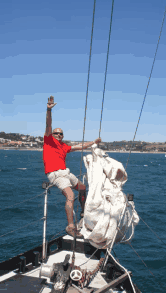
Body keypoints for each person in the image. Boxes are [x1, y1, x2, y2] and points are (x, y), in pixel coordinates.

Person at [43, 96, 102, 238]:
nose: (58, 134)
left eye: (60, 133)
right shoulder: (48, 141)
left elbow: (79, 146)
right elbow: (48, 125)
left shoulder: (64, 146)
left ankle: (83, 211)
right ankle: (70, 227)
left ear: (63, 136)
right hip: (56, 174)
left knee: (82, 188)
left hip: (66, 172)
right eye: (56, 133)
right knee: (70, 195)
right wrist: (49, 110)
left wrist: (93, 142)